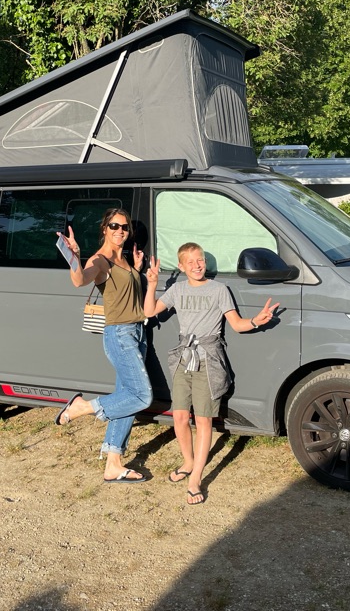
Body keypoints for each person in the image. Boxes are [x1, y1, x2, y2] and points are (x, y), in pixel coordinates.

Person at [143, 242, 279, 505]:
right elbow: (149, 312)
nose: (197, 265)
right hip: (183, 358)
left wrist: (256, 320)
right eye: (191, 262)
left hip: (208, 358)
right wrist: (152, 284)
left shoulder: (219, 290)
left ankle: (195, 478)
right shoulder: (177, 289)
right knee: (180, 417)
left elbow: (236, 324)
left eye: (201, 260)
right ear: (181, 266)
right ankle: (188, 462)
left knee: (203, 420)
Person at [54, 208, 153, 484]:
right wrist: (75, 257)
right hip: (120, 334)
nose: (120, 231)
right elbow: (79, 280)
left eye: (124, 227)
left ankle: (113, 464)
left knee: (126, 397)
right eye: (114, 226)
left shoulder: (124, 259)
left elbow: (127, 294)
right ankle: (81, 407)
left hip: (137, 333)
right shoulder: (100, 260)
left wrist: (136, 270)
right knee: (142, 396)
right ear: (104, 229)